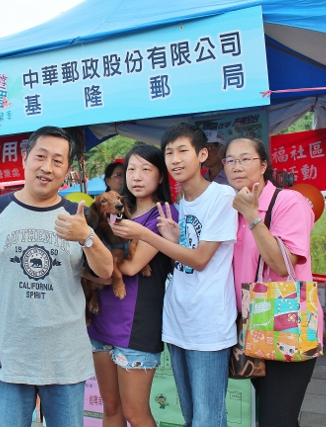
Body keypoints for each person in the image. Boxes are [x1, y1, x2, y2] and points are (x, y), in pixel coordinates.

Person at [0, 126, 113, 427]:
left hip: (65, 358)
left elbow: (106, 271)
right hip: (9, 355)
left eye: (58, 161)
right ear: (25, 159)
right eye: (40, 157)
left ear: (67, 170)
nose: (47, 167)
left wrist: (87, 237)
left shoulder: (76, 215)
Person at [112, 123, 237, 427]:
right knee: (191, 416)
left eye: (183, 151)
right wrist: (172, 238)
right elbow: (181, 257)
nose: (175, 159)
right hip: (178, 321)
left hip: (209, 325)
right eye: (169, 153)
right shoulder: (180, 205)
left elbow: (200, 260)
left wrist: (149, 234)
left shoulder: (222, 196)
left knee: (208, 419)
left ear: (203, 155)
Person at [224, 136, 317, 427]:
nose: (237, 166)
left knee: (276, 418)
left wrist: (253, 216)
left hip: (286, 321)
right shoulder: (231, 208)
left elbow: (281, 263)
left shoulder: (288, 201)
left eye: (245, 159)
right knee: (275, 415)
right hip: (250, 324)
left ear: (264, 165)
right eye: (230, 160)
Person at [89, 144, 176, 426]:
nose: (137, 176)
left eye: (146, 169)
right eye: (131, 169)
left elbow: (130, 266)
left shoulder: (164, 214)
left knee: (135, 414)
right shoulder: (116, 213)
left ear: (161, 176)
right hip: (101, 317)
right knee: (110, 407)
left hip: (137, 324)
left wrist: (99, 261)